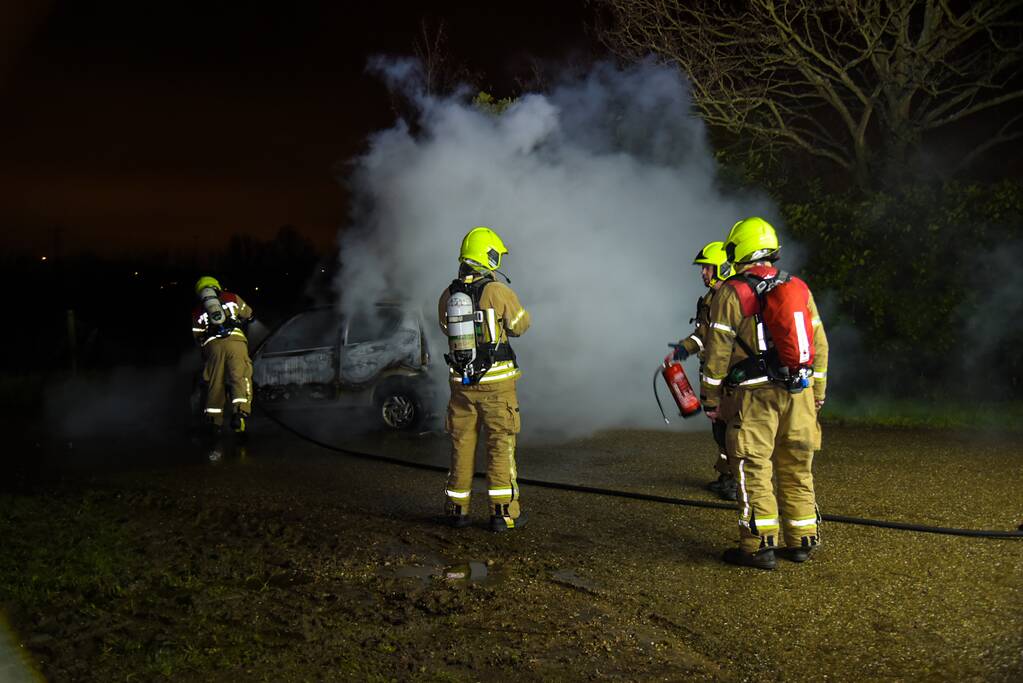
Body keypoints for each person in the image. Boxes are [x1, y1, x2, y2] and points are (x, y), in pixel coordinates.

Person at [699, 217, 829, 569]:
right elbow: (819, 345)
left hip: (755, 398)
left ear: (739, 249)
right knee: (797, 467)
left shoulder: (732, 292)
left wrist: (710, 398)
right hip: (799, 395)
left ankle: (758, 547)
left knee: (753, 467)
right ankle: (802, 540)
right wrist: (817, 392)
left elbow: (717, 352)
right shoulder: (797, 287)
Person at [438, 226, 531, 532]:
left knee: (461, 446)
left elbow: (444, 328)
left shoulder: (448, 295)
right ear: (489, 257)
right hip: (497, 387)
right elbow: (520, 325)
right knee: (500, 446)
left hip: (461, 386)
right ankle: (503, 514)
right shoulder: (498, 291)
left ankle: (457, 511)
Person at [672, 241, 736, 500]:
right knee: (720, 430)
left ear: (723, 267)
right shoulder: (710, 299)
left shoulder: (733, 299)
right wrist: (684, 348)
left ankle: (738, 482)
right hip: (716, 375)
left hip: (732, 376)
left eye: (707, 267)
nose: (703, 273)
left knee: (733, 431)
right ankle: (727, 476)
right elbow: (704, 335)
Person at [191, 276, 256, 435]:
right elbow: (249, 314)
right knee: (239, 377)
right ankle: (239, 414)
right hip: (235, 343)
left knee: (215, 383)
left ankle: (214, 422)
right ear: (217, 286)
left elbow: (198, 337)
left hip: (213, 348)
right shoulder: (231, 297)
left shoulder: (197, 311)